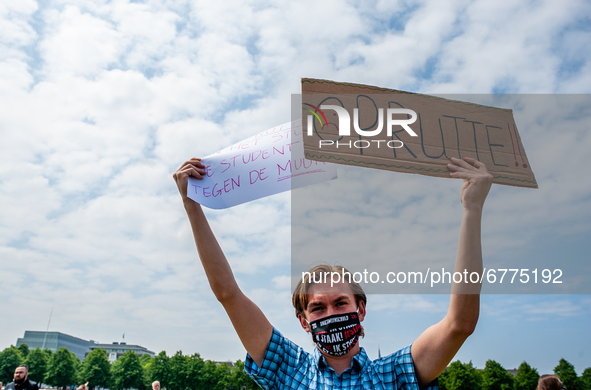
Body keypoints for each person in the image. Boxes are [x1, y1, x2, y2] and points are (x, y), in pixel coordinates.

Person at [173, 155, 493, 389]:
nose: (331, 312)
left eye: (340, 302)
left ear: (360, 309)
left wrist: (472, 209)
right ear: (303, 320)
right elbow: (228, 294)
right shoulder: (286, 368)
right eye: (318, 307)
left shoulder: (397, 374)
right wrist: (192, 207)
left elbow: (459, 324)